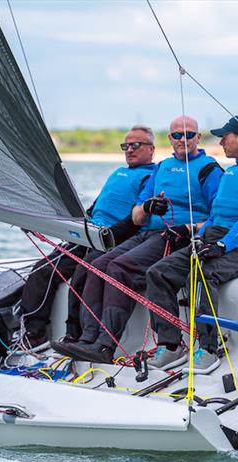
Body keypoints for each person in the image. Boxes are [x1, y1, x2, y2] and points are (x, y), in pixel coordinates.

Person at [53, 115, 224, 363]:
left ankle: (105, 346)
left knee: (119, 267)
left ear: (198, 137)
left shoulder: (209, 170)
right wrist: (148, 207)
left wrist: (190, 227)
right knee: (96, 265)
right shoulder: (162, 168)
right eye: (177, 135)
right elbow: (136, 213)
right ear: (170, 138)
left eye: (188, 135)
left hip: (177, 236)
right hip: (148, 232)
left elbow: (218, 217)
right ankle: (87, 339)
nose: (182, 140)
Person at [145, 115, 238, 371]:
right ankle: (171, 345)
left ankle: (208, 348)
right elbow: (216, 215)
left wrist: (223, 246)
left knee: (202, 274)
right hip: (214, 236)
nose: (220, 142)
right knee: (158, 272)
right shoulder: (231, 171)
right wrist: (200, 238)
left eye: (225, 137)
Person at [16, 126, 157, 350]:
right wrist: (73, 227)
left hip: (112, 239)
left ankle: (74, 335)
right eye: (125, 146)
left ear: (151, 148)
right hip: (88, 234)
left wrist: (107, 237)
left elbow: (137, 218)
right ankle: (34, 332)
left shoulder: (152, 176)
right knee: (42, 269)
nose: (129, 150)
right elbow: (95, 207)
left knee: (83, 274)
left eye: (136, 145)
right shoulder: (118, 173)